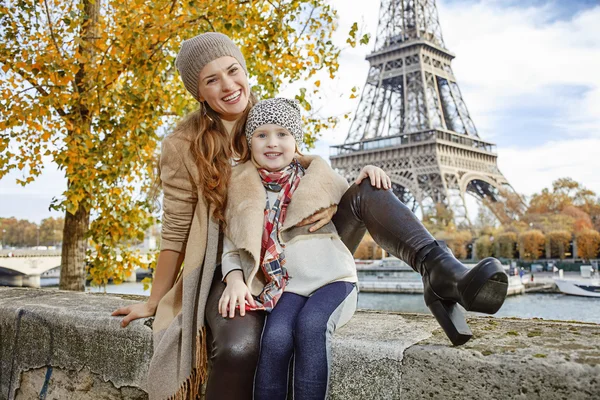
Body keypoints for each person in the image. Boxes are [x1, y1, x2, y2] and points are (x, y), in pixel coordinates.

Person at [111, 32, 508, 400]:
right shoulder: (183, 145)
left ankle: (440, 271)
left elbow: (303, 172)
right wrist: (155, 299)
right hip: (239, 262)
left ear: (245, 71)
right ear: (197, 91)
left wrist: (338, 194)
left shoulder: (269, 117)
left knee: (370, 186)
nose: (228, 85)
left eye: (233, 71)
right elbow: (176, 229)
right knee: (240, 346)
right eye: (211, 80)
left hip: (304, 243)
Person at [218, 97, 376, 399]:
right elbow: (232, 245)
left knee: (311, 326)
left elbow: (355, 196)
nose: (272, 142)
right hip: (288, 287)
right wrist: (235, 279)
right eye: (261, 135)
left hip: (334, 281)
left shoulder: (317, 178)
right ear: (250, 143)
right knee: (274, 339)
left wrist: (368, 169)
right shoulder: (242, 189)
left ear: (296, 142)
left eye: (282, 134)